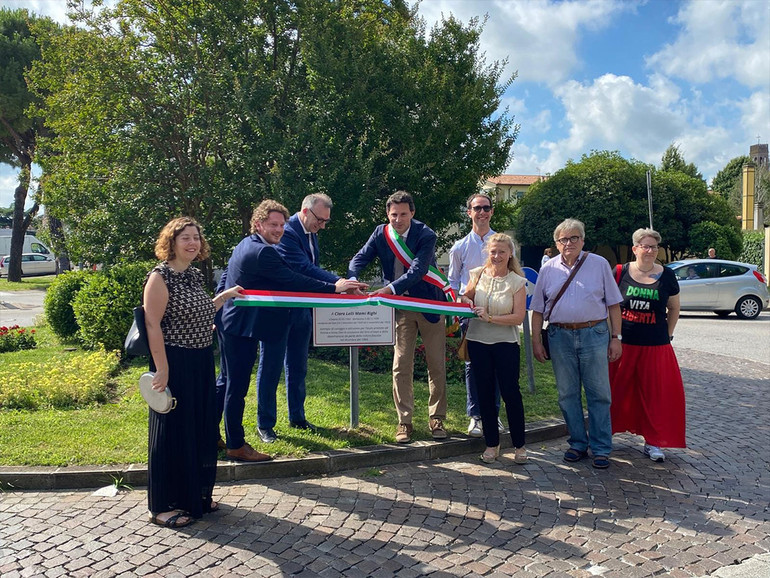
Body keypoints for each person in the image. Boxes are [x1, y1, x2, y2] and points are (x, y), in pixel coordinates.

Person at [217, 200, 363, 460]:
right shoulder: (265, 251)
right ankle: (239, 442)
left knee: (227, 383)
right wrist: (334, 287)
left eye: (281, 225)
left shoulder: (247, 243)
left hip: (240, 322)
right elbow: (293, 278)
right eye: (273, 225)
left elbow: (228, 275)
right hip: (245, 325)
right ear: (259, 224)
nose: (279, 230)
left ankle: (213, 434)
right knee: (236, 386)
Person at [143, 217, 243, 528]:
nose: (192, 243)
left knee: (199, 430)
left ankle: (194, 496)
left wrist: (224, 297)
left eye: (196, 238)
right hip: (174, 363)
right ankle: (162, 506)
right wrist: (162, 369)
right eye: (184, 238)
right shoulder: (160, 278)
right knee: (172, 433)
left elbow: (199, 312)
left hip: (200, 361)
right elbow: (152, 324)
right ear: (170, 243)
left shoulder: (193, 275)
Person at [256, 193, 363, 443]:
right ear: (306, 211)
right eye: (320, 220)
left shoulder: (310, 232)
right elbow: (302, 267)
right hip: (278, 311)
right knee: (270, 366)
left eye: (326, 221)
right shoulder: (289, 231)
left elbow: (311, 267)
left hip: (301, 311)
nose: (322, 226)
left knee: (298, 366)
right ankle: (265, 424)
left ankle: (297, 417)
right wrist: (338, 282)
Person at [348, 190, 448, 443]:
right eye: (393, 215)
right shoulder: (380, 233)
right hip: (401, 307)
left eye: (403, 214)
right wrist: (351, 278)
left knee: (436, 364)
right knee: (401, 365)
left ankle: (437, 419)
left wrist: (389, 289)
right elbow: (360, 258)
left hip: (429, 304)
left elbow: (418, 270)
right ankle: (404, 422)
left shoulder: (426, 234)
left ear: (412, 213)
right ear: (387, 214)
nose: (398, 219)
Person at [531, 218, 623, 469]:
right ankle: (578, 443)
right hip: (559, 337)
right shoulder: (548, 269)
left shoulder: (599, 264)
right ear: (556, 243)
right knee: (567, 394)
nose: (569, 243)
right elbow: (537, 310)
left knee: (599, 394)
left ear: (583, 240)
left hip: (595, 334)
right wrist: (536, 340)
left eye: (574, 238)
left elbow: (613, 304)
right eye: (563, 239)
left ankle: (602, 447)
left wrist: (616, 338)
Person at [610, 228, 686, 462]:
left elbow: (674, 308)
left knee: (655, 395)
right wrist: (614, 336)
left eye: (654, 246)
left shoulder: (667, 275)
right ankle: (605, 436)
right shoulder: (620, 272)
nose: (651, 250)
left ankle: (653, 442)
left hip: (656, 346)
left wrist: (668, 335)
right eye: (646, 246)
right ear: (635, 248)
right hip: (624, 344)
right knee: (614, 391)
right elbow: (610, 306)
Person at [459, 233, 528, 464]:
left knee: (510, 393)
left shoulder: (517, 282)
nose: (497, 256)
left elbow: (518, 317)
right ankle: (492, 444)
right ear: (487, 253)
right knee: (485, 394)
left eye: (502, 252)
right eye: (493, 251)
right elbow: (465, 297)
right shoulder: (477, 274)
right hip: (478, 341)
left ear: (510, 254)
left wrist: (490, 318)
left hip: (505, 344)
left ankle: (519, 445)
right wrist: (466, 301)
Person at [448, 193, 504, 438]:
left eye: (486, 208)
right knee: (473, 365)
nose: (482, 212)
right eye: (477, 208)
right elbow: (452, 281)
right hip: (469, 313)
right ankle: (475, 416)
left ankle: (494, 414)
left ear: (492, 212)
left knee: (497, 365)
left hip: (498, 312)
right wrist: (457, 303)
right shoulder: (459, 247)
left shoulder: (503, 243)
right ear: (468, 212)